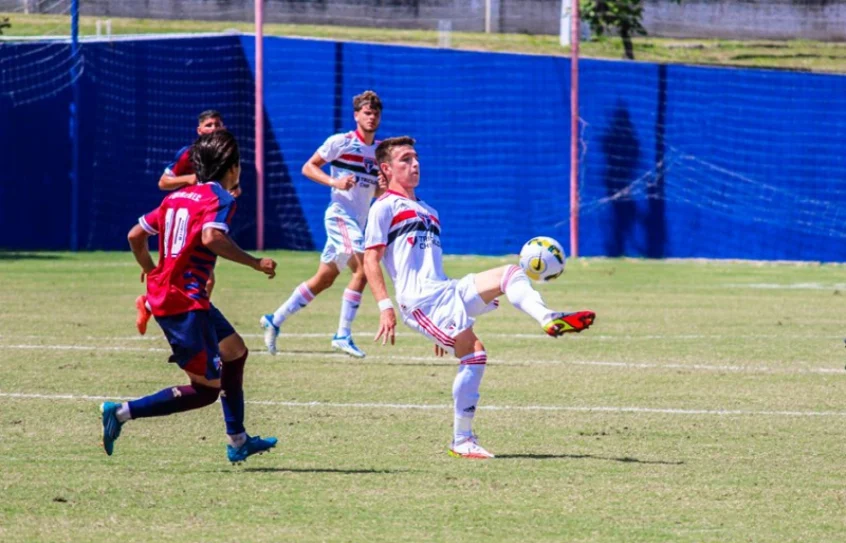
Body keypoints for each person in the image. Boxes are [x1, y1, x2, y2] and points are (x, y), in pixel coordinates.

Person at [362, 136, 596, 459]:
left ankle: (548, 317)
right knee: (476, 355)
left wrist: (443, 332)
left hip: (446, 291)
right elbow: (370, 259)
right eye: (405, 159)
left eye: (416, 157)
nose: (415, 164)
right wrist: (384, 306)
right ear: (386, 168)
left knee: (511, 273)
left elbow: (429, 266)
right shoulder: (383, 208)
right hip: (420, 303)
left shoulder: (430, 211)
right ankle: (461, 440)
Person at [101, 130, 279, 464]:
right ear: (232, 168)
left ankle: (238, 440)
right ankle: (120, 412)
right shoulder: (222, 199)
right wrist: (255, 262)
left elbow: (135, 234)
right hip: (184, 303)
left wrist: (153, 271)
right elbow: (212, 237)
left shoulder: (177, 197)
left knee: (235, 352)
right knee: (206, 390)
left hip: (182, 298)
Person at [260, 90, 383, 358]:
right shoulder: (341, 142)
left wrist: (381, 189)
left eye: (375, 113)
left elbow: (373, 192)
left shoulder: (379, 151)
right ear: (356, 115)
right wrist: (334, 182)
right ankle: (342, 333)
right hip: (340, 216)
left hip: (358, 222)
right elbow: (308, 167)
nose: (371, 117)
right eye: (366, 112)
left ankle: (274, 319)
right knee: (364, 268)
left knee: (324, 280)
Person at [136, 109, 227, 335]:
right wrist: (189, 179)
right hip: (185, 213)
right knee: (199, 277)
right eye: (209, 125)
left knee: (205, 278)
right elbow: (163, 182)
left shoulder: (225, 156)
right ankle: (192, 326)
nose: (214, 128)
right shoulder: (190, 154)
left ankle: (151, 304)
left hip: (204, 216)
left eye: (217, 124)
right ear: (199, 130)